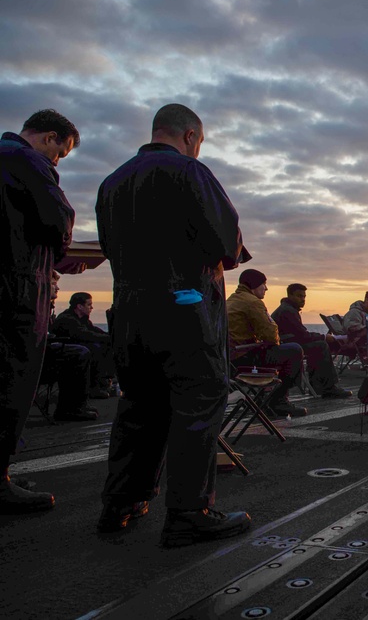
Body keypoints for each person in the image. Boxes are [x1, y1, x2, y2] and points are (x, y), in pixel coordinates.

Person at [96, 103, 251, 545]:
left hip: (128, 313)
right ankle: (189, 511)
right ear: (190, 137)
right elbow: (227, 242)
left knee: (139, 407)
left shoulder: (112, 182)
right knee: (199, 404)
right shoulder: (190, 173)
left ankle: (120, 502)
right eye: (198, 144)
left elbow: (108, 245)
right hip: (185, 307)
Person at [1, 109, 80, 514]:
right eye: (60, 154)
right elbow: (58, 221)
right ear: (49, 138)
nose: (57, 161)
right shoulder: (28, 161)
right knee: (11, 380)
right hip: (14, 291)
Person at [227, 269, 308, 418]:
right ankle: (278, 401)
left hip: (230, 362)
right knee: (294, 350)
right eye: (264, 284)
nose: (266, 288)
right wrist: (273, 341)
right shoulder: (253, 302)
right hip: (246, 360)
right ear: (255, 285)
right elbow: (270, 334)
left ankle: (270, 399)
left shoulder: (231, 301)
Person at [271, 283, 351, 400]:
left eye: (304, 296)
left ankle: (320, 385)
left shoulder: (287, 309)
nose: (302, 299)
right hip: (288, 346)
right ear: (290, 295)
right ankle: (327, 387)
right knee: (321, 346)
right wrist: (323, 337)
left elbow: (300, 334)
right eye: (299, 296)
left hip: (288, 342)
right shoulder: (288, 311)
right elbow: (303, 335)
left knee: (319, 346)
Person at [42, 273, 97, 422]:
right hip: (37, 358)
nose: (57, 287)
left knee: (82, 350)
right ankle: (70, 408)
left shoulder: (45, 306)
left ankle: (78, 404)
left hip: (41, 353)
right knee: (80, 353)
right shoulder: (64, 317)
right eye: (53, 284)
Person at [52, 291, 118, 398]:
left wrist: (110, 337)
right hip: (68, 354)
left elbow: (94, 330)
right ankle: (94, 387)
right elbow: (85, 334)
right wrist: (109, 338)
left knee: (104, 346)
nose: (91, 308)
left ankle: (104, 381)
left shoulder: (82, 319)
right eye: (89, 305)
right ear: (80, 306)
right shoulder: (68, 319)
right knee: (96, 349)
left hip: (77, 348)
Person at [343, 290, 368, 364]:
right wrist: (367, 329)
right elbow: (350, 327)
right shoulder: (354, 312)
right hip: (356, 342)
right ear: (367, 299)